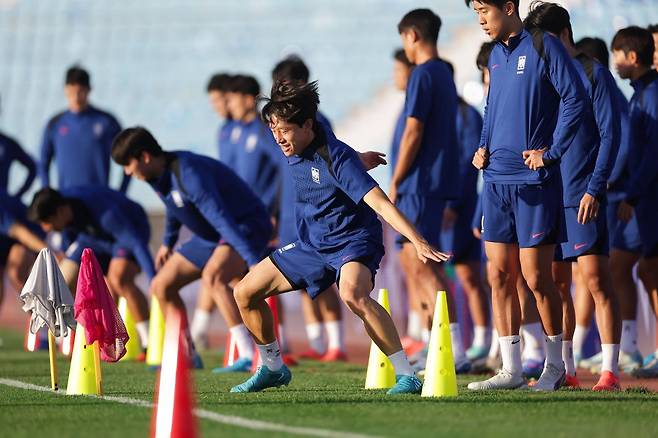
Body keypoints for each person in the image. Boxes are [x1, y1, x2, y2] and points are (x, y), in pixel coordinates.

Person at [229, 80, 450, 395]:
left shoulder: (335, 155)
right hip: (313, 244)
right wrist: (360, 157)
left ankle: (407, 374)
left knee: (352, 293)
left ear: (307, 125)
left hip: (353, 240)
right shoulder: (303, 143)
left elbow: (382, 203)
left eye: (285, 130)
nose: (278, 138)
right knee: (244, 292)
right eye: (274, 129)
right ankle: (273, 368)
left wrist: (418, 241)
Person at [466, 0, 587, 391]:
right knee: (498, 275)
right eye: (476, 12)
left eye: (485, 9)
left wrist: (551, 153)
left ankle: (554, 368)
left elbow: (576, 99)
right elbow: (491, 108)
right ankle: (512, 370)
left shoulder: (542, 45)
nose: (481, 19)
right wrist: (482, 148)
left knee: (537, 278)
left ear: (509, 6)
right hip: (495, 181)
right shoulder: (496, 57)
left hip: (533, 184)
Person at [111, 127, 274, 370]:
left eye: (128, 164)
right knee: (160, 286)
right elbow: (174, 207)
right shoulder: (156, 175)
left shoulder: (189, 173)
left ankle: (247, 355)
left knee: (214, 277)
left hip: (244, 225)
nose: (127, 172)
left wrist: (252, 260)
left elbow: (222, 219)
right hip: (212, 236)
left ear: (144, 157)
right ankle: (187, 355)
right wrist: (168, 241)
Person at [524, 2, 623, 390]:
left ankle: (610, 370)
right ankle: (564, 369)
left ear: (564, 34)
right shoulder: (544, 74)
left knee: (597, 279)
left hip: (583, 193)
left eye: (545, 40)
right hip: (550, 192)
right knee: (555, 283)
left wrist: (595, 187)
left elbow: (610, 135)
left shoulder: (594, 73)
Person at [392, 8, 468, 374]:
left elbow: (413, 131)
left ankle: (451, 345)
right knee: (413, 262)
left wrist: (396, 177)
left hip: (421, 183)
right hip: (429, 183)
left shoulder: (423, 74)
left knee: (425, 264)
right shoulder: (443, 74)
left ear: (413, 36)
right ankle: (433, 340)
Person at [271, 55, 348, 362]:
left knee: (324, 277)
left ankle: (337, 343)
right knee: (302, 279)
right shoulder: (278, 125)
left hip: (316, 210)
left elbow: (332, 164)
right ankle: (317, 342)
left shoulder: (315, 123)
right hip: (292, 211)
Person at [27, 186, 153, 355]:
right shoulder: (65, 214)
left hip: (127, 233)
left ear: (60, 212)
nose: (45, 228)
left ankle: (148, 342)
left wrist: (153, 278)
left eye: (46, 222)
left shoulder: (106, 213)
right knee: (62, 280)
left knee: (119, 279)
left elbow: (137, 244)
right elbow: (68, 243)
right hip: (92, 238)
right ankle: (73, 337)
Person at [611, 26, 658, 378]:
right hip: (641, 196)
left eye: (617, 55)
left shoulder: (652, 95)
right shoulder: (639, 94)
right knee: (639, 269)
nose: (614, 63)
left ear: (631, 57)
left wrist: (633, 193)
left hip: (649, 197)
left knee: (649, 270)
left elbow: (653, 152)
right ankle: (634, 348)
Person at [440, 59, 492, 364]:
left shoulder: (465, 115)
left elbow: (468, 164)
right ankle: (481, 342)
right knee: (462, 274)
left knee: (471, 275)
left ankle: (485, 340)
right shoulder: (446, 115)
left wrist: (454, 204)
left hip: (462, 206)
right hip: (451, 206)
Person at [190, 72, 235, 350]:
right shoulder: (225, 131)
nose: (216, 106)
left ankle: (276, 341)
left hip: (255, 218)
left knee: (220, 274)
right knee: (217, 274)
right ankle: (198, 332)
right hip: (229, 217)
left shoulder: (260, 129)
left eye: (218, 100)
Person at [39, 66, 128, 192]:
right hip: (67, 202)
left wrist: (122, 192)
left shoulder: (107, 121)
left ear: (89, 90)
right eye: (72, 91)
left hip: (100, 199)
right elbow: (43, 162)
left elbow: (129, 156)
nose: (76, 97)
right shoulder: (55, 124)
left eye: (80, 91)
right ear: (65, 90)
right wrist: (46, 190)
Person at [0, 190, 47, 308]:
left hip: (31, 235)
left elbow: (20, 232)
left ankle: (42, 313)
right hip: (7, 241)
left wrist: (49, 252)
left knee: (15, 274)